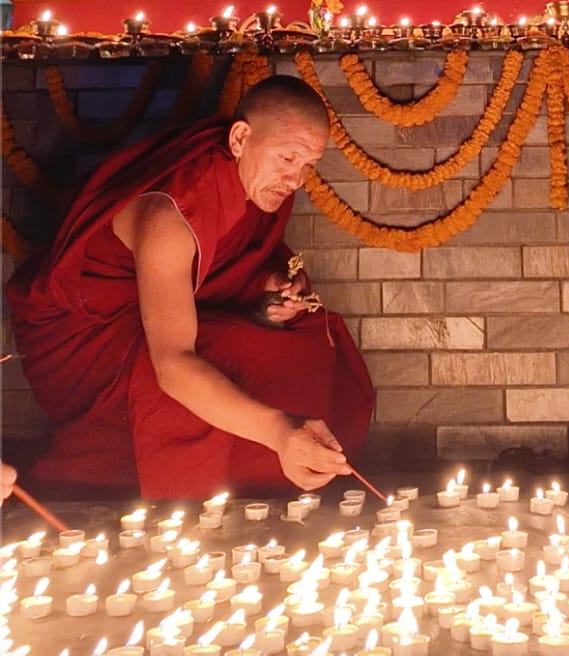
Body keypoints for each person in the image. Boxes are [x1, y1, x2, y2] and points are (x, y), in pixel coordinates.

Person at [5, 75, 374, 500]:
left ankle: (257, 488)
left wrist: (265, 290)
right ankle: (196, 496)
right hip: (91, 340)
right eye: (287, 158)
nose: (295, 180)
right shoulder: (171, 215)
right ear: (240, 138)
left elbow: (226, 266)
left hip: (160, 316)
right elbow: (174, 363)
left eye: (307, 165)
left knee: (307, 336)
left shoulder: (248, 182)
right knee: (228, 354)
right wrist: (279, 433)